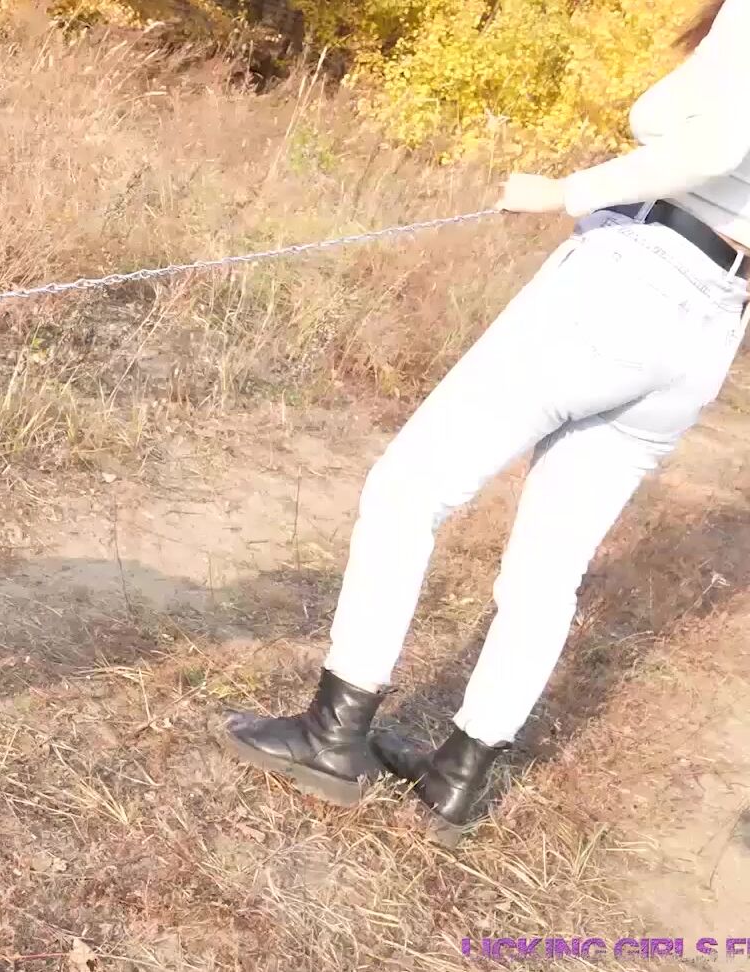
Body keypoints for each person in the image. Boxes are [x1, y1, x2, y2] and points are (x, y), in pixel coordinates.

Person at [222, 0, 750, 845]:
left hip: (634, 281)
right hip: (714, 323)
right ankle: (460, 775)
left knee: (407, 489)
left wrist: (567, 192)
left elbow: (718, 145)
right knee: (551, 565)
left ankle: (332, 736)